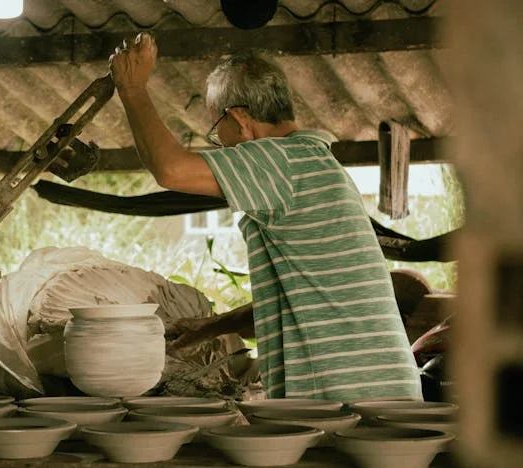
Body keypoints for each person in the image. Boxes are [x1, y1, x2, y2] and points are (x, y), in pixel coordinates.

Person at [108, 33, 422, 402]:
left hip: (356, 395)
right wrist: (212, 327)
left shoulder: (281, 159)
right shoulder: (307, 163)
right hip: (373, 390)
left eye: (215, 130)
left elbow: (170, 170)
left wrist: (132, 89)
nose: (219, 144)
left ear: (240, 120)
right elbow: (297, 300)